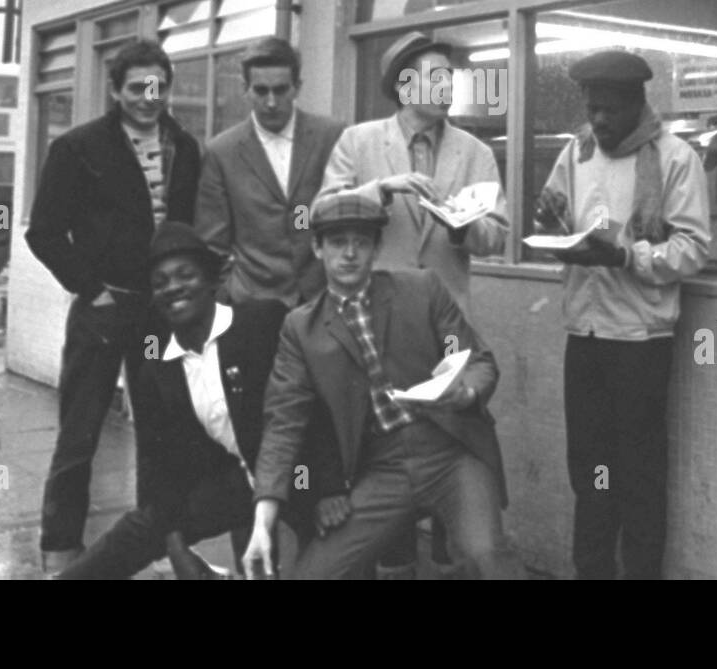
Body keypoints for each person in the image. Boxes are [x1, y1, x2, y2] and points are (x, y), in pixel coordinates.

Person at [241, 189, 523, 580]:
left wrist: (467, 392)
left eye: (362, 242)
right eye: (338, 242)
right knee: (313, 574)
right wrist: (262, 518)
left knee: (487, 555)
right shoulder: (301, 329)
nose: (350, 253)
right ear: (318, 248)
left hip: (449, 449)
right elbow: (283, 423)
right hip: (380, 468)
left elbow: (476, 358)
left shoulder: (422, 289)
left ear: (376, 248)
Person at [320, 30, 507, 577]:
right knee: (387, 455)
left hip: (449, 329)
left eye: (450, 77)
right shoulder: (359, 143)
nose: (446, 86)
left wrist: (463, 224)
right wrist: (381, 189)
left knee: (457, 442)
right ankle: (397, 564)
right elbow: (320, 212)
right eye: (434, 76)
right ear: (403, 85)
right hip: (377, 327)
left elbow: (496, 237)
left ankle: (455, 560)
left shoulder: (475, 152)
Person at [56, 223, 335, 579]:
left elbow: (314, 408)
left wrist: (330, 487)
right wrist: (176, 548)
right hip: (239, 480)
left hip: (298, 472)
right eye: (160, 282)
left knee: (328, 562)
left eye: (185, 275)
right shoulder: (158, 367)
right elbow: (162, 467)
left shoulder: (262, 323)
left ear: (210, 280)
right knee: (144, 527)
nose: (173, 287)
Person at [25, 39, 201, 574]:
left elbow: (186, 227)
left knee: (162, 431)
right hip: (103, 312)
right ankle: (60, 550)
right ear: (115, 89)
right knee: (80, 433)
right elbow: (45, 232)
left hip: (161, 313)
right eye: (137, 88)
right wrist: (89, 288)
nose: (149, 98)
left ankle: (156, 543)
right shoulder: (78, 148)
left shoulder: (185, 148)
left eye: (159, 87)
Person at [534, 48, 711, 580]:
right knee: (591, 473)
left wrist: (624, 255)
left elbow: (694, 248)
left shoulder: (676, 158)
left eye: (610, 109)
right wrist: (550, 217)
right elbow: (557, 210)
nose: (599, 121)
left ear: (638, 103)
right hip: (584, 335)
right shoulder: (578, 152)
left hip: (639, 341)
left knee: (636, 476)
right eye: (592, 109)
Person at [194, 36, 344, 308]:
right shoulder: (221, 151)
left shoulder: (331, 136)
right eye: (261, 91)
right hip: (254, 301)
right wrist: (231, 291)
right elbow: (212, 241)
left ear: (297, 88)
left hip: (325, 296)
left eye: (281, 90)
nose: (271, 102)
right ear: (245, 90)